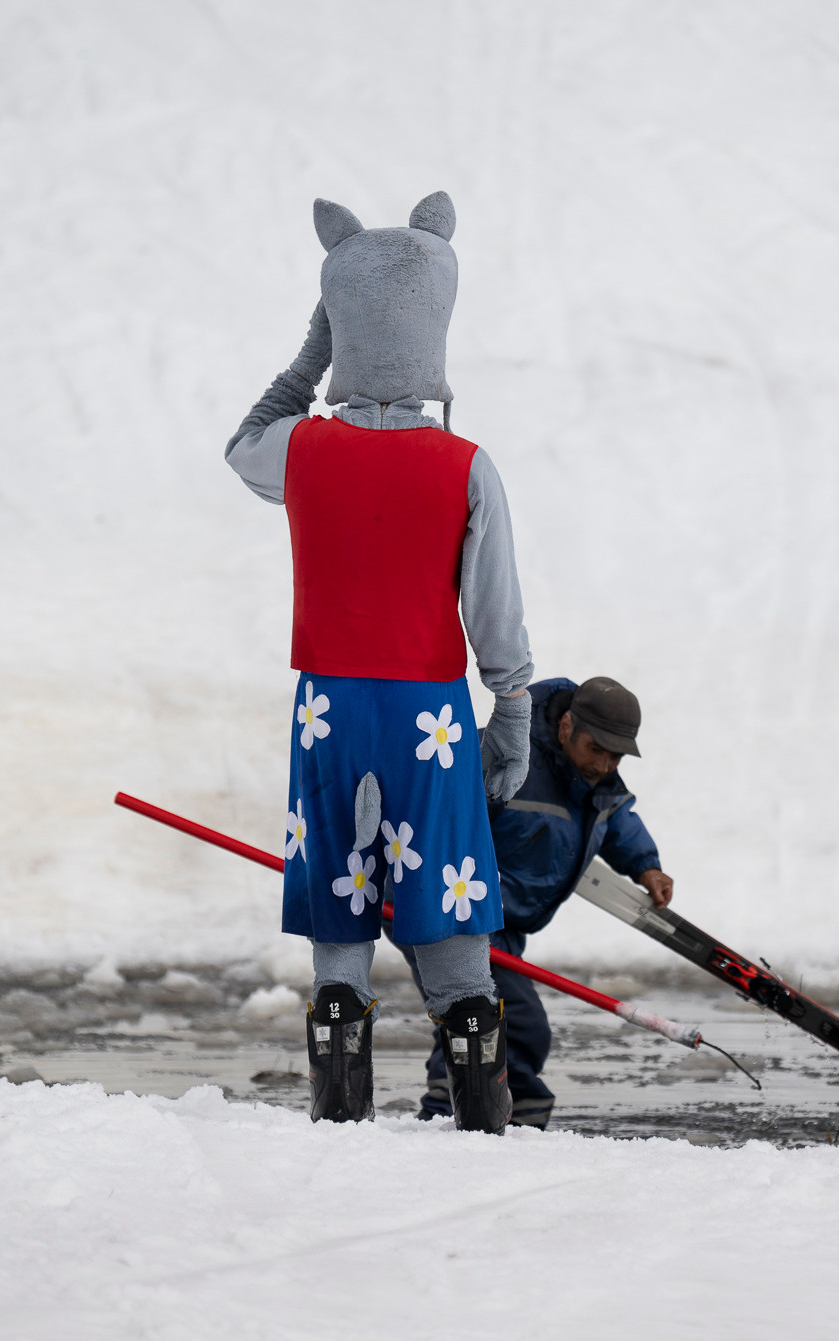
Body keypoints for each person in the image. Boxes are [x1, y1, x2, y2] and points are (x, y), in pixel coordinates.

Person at [224, 192, 537, 1133]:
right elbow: (496, 609)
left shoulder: (303, 452)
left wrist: (314, 350)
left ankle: (339, 1080)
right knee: (444, 884)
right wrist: (512, 707)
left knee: (338, 883)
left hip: (326, 705)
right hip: (428, 711)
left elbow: (241, 440)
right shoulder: (465, 464)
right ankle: (479, 1081)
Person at [399, 675, 670, 1128]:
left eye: (615, 755)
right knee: (515, 1022)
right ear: (566, 726)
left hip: (503, 921)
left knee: (477, 1016)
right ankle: (496, 1118)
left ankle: (466, 1114)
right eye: (596, 748)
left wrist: (646, 865)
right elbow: (434, 808)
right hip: (448, 906)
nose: (604, 763)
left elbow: (616, 816)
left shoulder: (594, 781)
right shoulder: (506, 754)